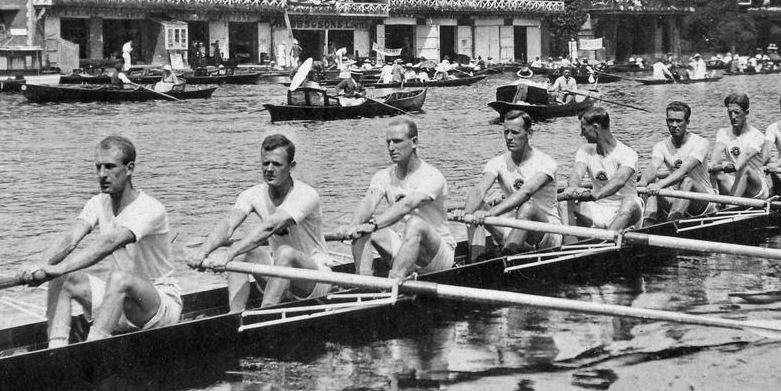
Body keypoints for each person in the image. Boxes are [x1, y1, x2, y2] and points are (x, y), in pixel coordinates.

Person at [24, 136, 183, 348]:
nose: (101, 175)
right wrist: (41, 265)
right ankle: (56, 353)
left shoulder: (151, 209)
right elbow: (70, 239)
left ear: (129, 168)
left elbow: (110, 242)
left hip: (159, 307)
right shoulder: (98, 203)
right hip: (119, 301)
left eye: (109, 167)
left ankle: (93, 352)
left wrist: (58, 267)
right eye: (98, 167)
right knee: (63, 279)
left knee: (119, 279)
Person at [189, 134, 332, 312]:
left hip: (316, 278)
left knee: (284, 252)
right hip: (278, 273)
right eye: (265, 163)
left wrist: (228, 254)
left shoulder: (306, 195)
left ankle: (263, 316)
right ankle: (235, 316)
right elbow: (228, 224)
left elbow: (270, 226)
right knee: (242, 252)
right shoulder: (252, 194)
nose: (269, 169)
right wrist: (203, 251)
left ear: (291, 167)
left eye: (277, 164)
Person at [339, 118, 457, 281]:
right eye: (388, 142)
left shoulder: (432, 176)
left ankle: (393, 282)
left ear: (414, 142)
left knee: (414, 224)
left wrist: (372, 225)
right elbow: (368, 202)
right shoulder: (383, 176)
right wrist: (354, 226)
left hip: (438, 256)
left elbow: (407, 205)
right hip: (407, 247)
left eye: (397, 141)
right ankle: (364, 282)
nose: (391, 148)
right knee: (362, 225)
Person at [462, 110, 561, 256]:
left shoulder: (546, 163)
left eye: (515, 132)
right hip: (512, 227)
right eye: (506, 132)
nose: (509, 138)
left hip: (545, 234)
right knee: (477, 203)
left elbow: (525, 193)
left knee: (528, 207)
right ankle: (476, 261)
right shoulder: (497, 162)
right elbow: (479, 190)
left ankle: (505, 257)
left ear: (529, 133)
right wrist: (466, 214)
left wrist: (490, 213)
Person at [556, 106, 643, 231]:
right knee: (565, 202)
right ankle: (570, 241)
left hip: (626, 212)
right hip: (599, 208)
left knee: (630, 202)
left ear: (596, 128)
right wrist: (573, 188)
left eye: (583, 129)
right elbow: (576, 174)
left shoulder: (629, 154)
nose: (581, 134)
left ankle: (607, 241)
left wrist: (595, 194)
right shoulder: (584, 150)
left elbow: (618, 182)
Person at [641, 101, 714, 222]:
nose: (674, 125)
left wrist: (659, 185)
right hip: (677, 197)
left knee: (687, 180)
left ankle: (671, 224)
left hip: (703, 200)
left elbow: (684, 171)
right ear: (666, 121)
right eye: (671, 120)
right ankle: (648, 224)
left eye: (679, 121)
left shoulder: (701, 143)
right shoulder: (661, 146)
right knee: (650, 181)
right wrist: (643, 182)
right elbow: (653, 166)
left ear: (687, 122)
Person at [711, 92, 768, 199]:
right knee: (717, 173)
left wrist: (735, 166)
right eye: (730, 113)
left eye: (737, 112)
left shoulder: (757, 136)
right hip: (733, 181)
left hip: (755, 186)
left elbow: (745, 156)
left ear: (746, 112)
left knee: (744, 169)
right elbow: (718, 151)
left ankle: (729, 207)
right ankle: (717, 202)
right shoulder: (723, 132)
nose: (733, 117)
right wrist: (713, 164)